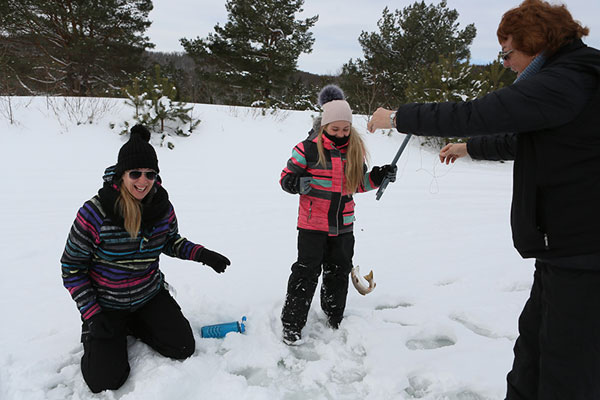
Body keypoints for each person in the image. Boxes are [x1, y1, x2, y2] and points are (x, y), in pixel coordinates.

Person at [367, 0, 600, 398]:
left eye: (508, 53)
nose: (506, 63)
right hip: (562, 253)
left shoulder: (568, 80)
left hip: (584, 257)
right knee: (532, 358)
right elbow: (527, 139)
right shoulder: (567, 82)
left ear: (537, 43)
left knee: (565, 373)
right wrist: (470, 149)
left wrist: (398, 117)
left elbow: (475, 113)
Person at [60, 124, 231, 393]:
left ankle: (136, 322)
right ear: (121, 174)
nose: (143, 180)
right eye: (135, 173)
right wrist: (92, 314)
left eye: (150, 174)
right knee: (103, 381)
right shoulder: (95, 212)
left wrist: (202, 254)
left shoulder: (161, 207)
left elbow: (170, 241)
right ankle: (98, 333)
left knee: (183, 347)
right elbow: (71, 267)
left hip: (147, 294)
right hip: (107, 304)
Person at [279, 84, 396, 344]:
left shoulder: (354, 150)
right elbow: (285, 178)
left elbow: (357, 184)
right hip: (312, 224)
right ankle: (292, 324)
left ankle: (334, 318)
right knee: (306, 273)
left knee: (339, 271)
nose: (341, 134)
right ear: (324, 126)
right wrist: (296, 184)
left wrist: (377, 176)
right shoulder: (307, 149)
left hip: (343, 224)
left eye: (346, 129)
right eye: (335, 129)